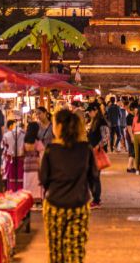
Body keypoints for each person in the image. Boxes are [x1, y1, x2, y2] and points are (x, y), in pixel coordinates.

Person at [39, 109, 98, 263]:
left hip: (54, 205)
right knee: (76, 252)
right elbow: (94, 177)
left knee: (56, 252)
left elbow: (43, 179)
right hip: (79, 205)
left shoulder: (51, 150)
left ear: (58, 127)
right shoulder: (86, 149)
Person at [85, 104, 109, 207]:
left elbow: (106, 136)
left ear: (95, 110)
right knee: (91, 175)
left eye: (90, 112)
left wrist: (98, 146)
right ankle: (95, 198)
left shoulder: (101, 121)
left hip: (96, 152)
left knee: (94, 176)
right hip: (91, 151)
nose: (89, 114)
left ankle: (97, 199)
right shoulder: (93, 121)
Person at [23, 120, 44, 205]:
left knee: (28, 183)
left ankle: (28, 199)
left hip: (27, 164)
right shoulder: (37, 142)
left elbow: (22, 152)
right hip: (36, 164)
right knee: (36, 183)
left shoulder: (25, 141)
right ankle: (37, 200)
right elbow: (42, 153)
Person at [3, 119, 26, 193]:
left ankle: (11, 193)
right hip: (21, 159)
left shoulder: (6, 135)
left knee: (11, 178)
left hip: (11, 159)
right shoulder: (24, 134)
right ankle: (20, 194)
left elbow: (4, 148)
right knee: (20, 178)